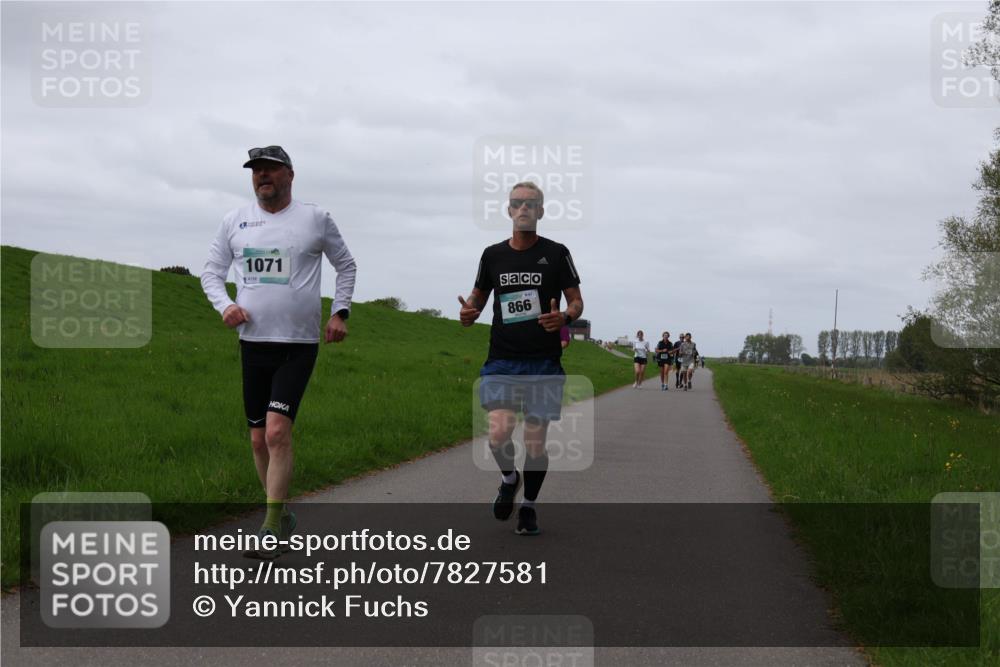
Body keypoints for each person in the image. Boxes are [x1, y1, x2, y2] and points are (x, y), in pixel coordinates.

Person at [201, 145, 357, 559]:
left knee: (276, 432)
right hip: (253, 344)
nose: (261, 176)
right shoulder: (233, 221)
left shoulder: (315, 218)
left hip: (297, 344)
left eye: (270, 169)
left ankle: (270, 530)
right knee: (257, 441)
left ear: (289, 173)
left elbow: (347, 265)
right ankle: (282, 513)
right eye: (256, 171)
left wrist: (340, 312)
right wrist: (225, 305)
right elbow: (211, 273)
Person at [458, 181, 583, 536]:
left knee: (535, 443)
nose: (524, 208)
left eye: (531, 203)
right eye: (517, 203)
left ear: (541, 211)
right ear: (509, 210)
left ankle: (528, 506)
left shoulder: (557, 253)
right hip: (503, 360)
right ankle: (509, 479)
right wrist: (469, 312)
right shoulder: (492, 255)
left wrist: (566, 318)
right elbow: (477, 299)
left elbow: (576, 301)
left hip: (543, 362)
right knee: (498, 433)